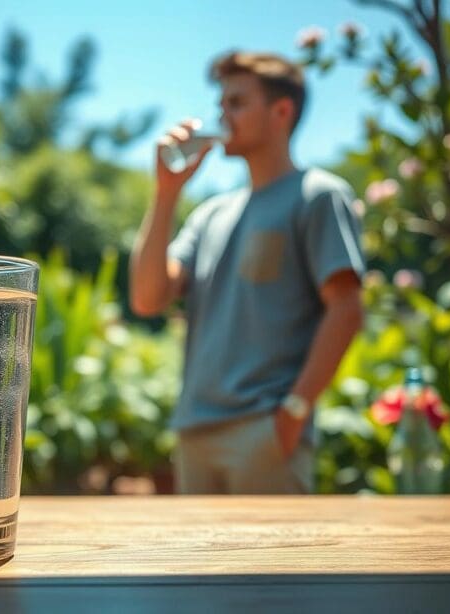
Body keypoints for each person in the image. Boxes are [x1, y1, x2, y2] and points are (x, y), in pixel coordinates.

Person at [129, 51, 365, 494]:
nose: (222, 116)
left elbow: (347, 310)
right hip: (194, 435)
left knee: (270, 566)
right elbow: (147, 297)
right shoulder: (210, 214)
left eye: (237, 103)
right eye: (222, 105)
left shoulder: (318, 196)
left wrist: (293, 413)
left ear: (281, 112)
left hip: (264, 436)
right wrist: (165, 194)